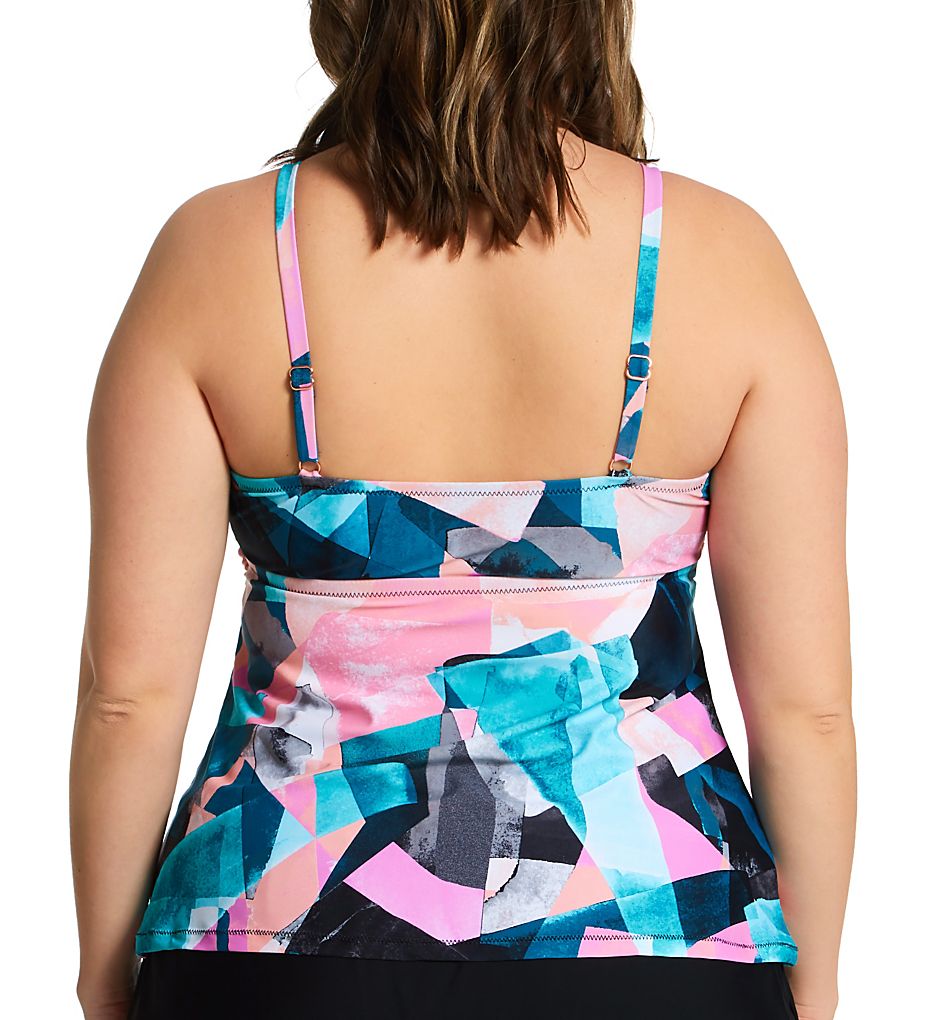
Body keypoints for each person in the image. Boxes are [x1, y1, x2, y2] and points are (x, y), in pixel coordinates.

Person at [69, 2, 855, 1019]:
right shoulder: (723, 253)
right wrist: (813, 984)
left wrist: (102, 979)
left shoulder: (219, 250)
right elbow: (805, 713)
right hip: (663, 943)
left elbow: (128, 697)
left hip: (274, 947)